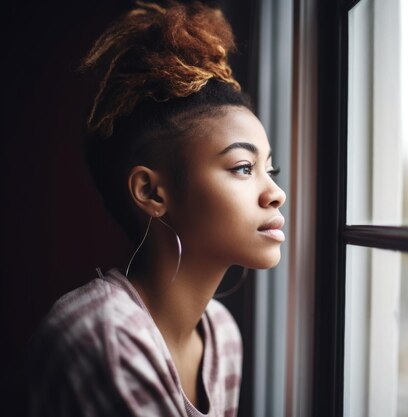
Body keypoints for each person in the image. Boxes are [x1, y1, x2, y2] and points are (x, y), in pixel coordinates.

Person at [22, 1, 286, 416]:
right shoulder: (104, 337)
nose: (275, 193)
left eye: (270, 169)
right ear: (152, 192)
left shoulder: (223, 334)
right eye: (243, 168)